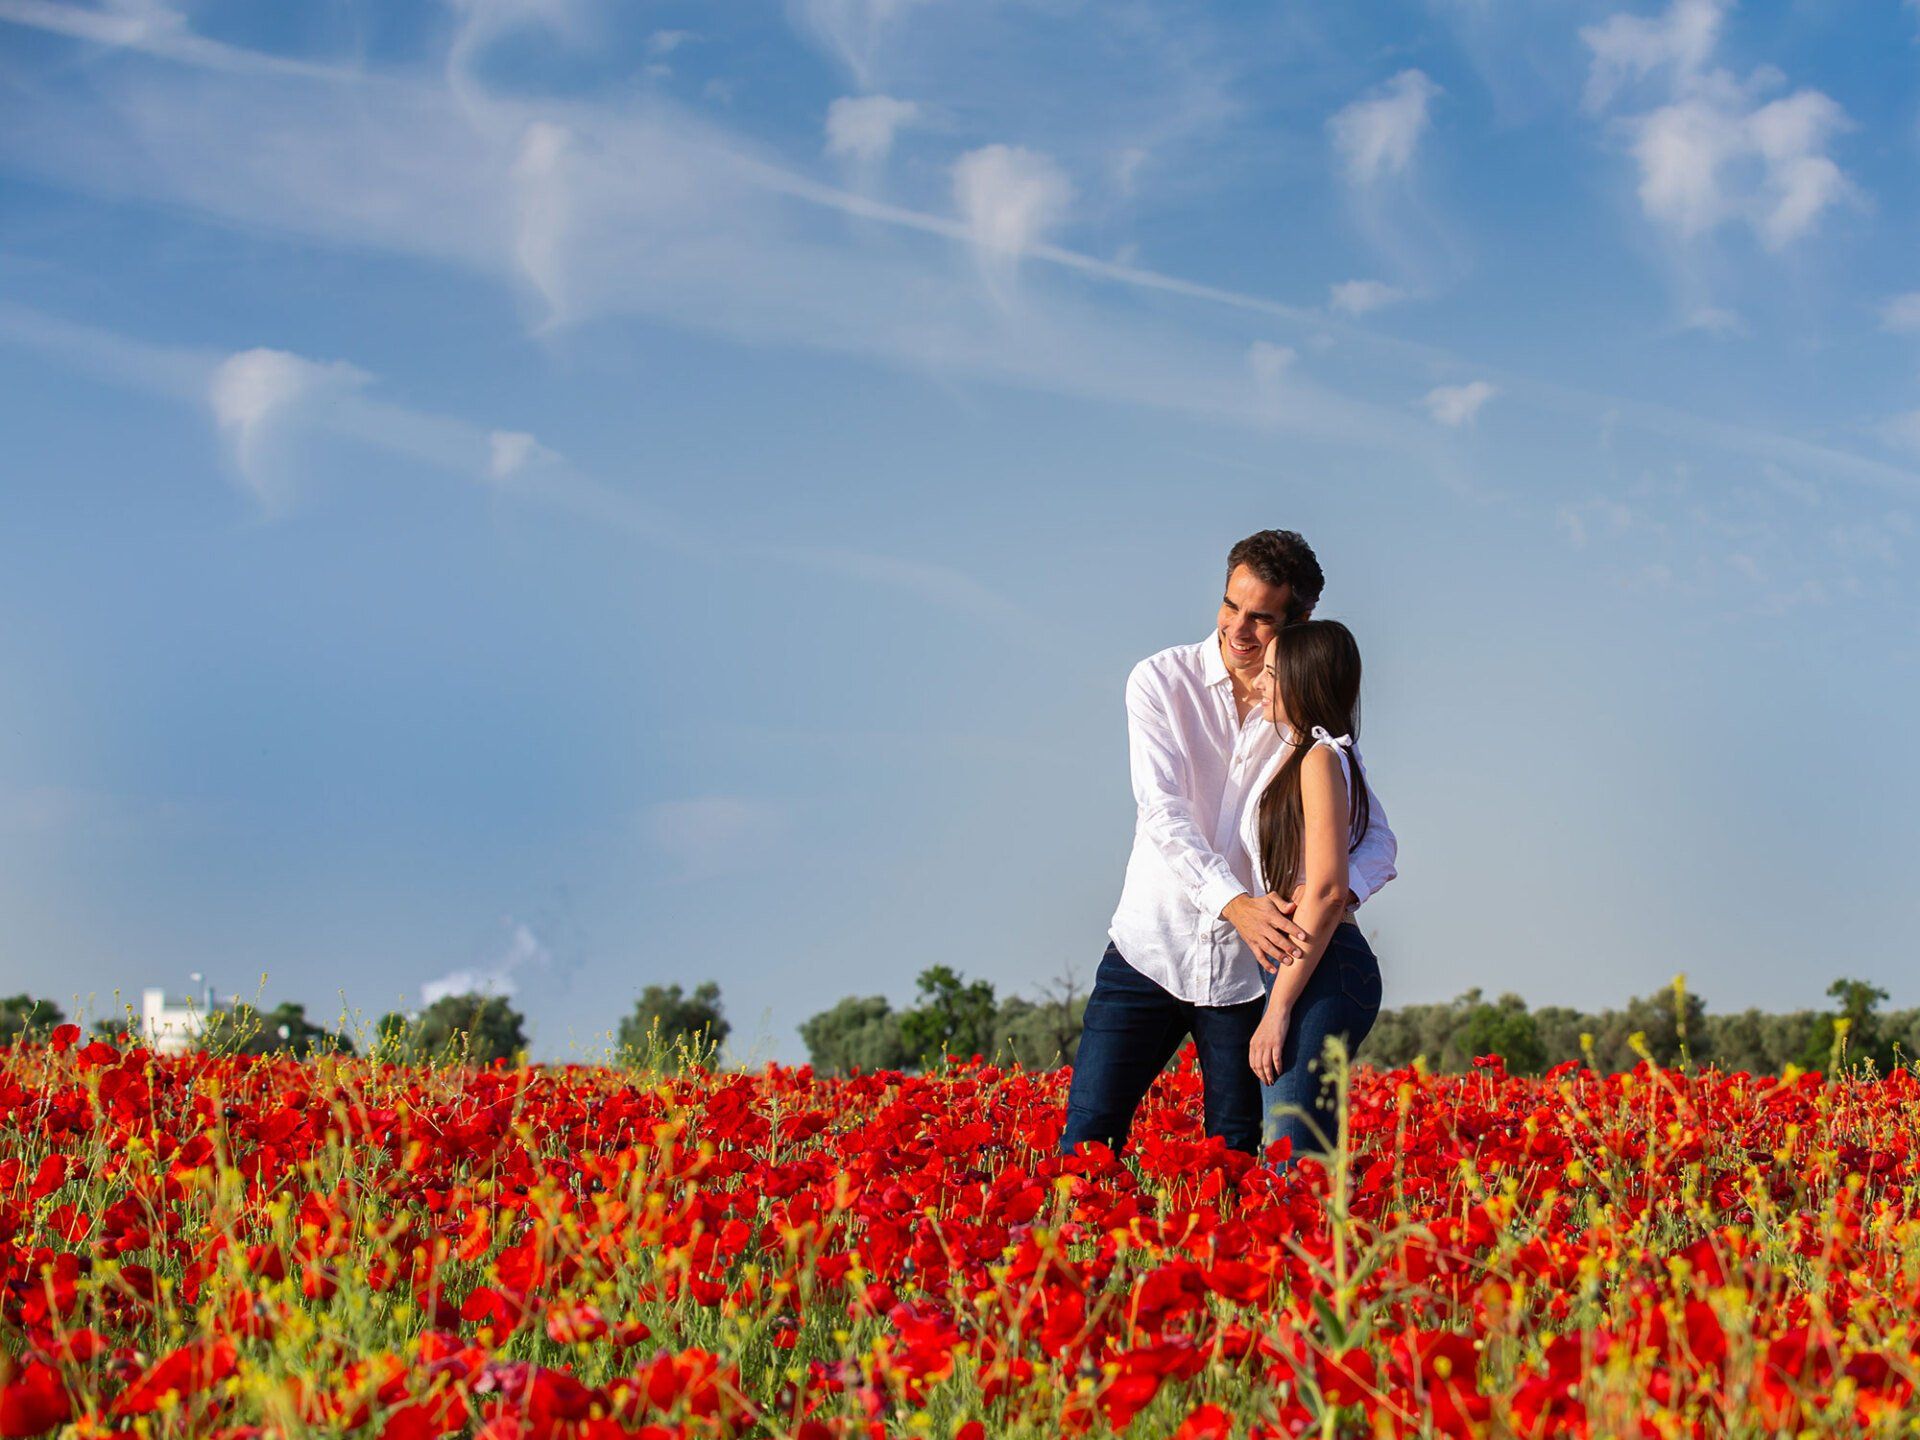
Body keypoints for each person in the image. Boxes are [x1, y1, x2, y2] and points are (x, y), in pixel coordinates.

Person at [1059, 531, 1397, 1158]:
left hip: (1251, 972)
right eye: (1230, 605)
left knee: (1236, 1156)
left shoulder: (1302, 716)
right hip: (1151, 946)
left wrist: (1327, 893)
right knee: (1087, 1138)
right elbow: (1162, 812)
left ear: (1300, 620)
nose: (1238, 629)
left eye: (1261, 618)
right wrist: (1235, 903)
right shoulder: (1161, 681)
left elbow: (1376, 837)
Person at [1243, 620, 1385, 1162]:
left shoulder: (1321, 757)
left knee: (1292, 1157)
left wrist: (1277, 1009)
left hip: (1319, 966)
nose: (1259, 682)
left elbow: (1326, 889)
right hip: (1316, 963)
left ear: (1302, 679)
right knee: (1304, 1155)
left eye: (1271, 672)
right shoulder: (1314, 755)